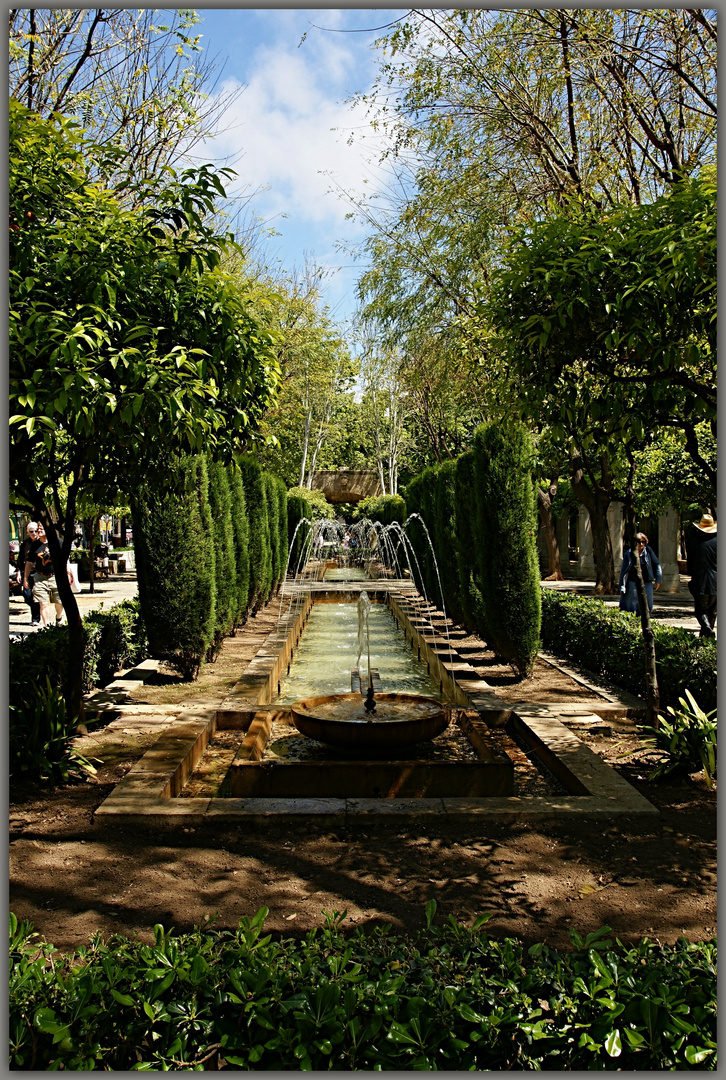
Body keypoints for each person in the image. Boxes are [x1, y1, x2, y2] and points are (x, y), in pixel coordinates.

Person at [23, 523, 64, 627]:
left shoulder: (56, 542)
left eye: (41, 529)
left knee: (59, 602)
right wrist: (25, 578)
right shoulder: (35, 545)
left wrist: (68, 574)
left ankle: (58, 617)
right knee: (43, 603)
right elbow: (29, 562)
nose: (38, 531)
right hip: (40, 577)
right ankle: (47, 627)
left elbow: (64, 559)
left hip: (55, 576)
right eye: (38, 529)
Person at [686, 513, 717, 638]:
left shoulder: (694, 542)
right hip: (716, 582)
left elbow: (690, 564)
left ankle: (707, 629)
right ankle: (706, 636)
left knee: (701, 611)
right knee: (712, 611)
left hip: (700, 582)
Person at [619, 532, 662, 614]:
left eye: (643, 542)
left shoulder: (648, 551)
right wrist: (622, 586)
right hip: (632, 582)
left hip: (646, 581)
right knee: (630, 605)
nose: (641, 544)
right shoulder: (628, 553)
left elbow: (657, 564)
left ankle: (645, 622)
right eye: (639, 542)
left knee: (647, 603)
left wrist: (658, 579)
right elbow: (624, 572)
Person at [16, 521, 41, 625]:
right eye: (31, 531)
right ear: (28, 532)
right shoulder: (25, 544)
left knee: (38, 595)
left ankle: (36, 619)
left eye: (36, 531)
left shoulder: (42, 543)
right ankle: (36, 610)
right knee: (27, 596)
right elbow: (20, 559)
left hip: (38, 572)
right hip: (26, 572)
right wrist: (18, 573)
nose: (34, 533)